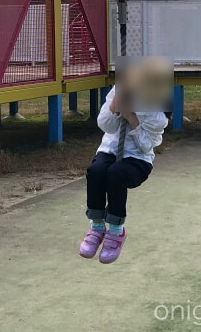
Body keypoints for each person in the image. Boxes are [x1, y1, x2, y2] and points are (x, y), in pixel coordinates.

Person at [79, 58, 172, 264]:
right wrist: (114, 106)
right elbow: (106, 126)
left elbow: (146, 145)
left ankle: (116, 230)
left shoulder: (157, 114)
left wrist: (131, 117)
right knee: (96, 172)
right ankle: (96, 226)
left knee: (116, 174)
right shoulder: (120, 90)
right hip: (110, 150)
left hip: (138, 159)